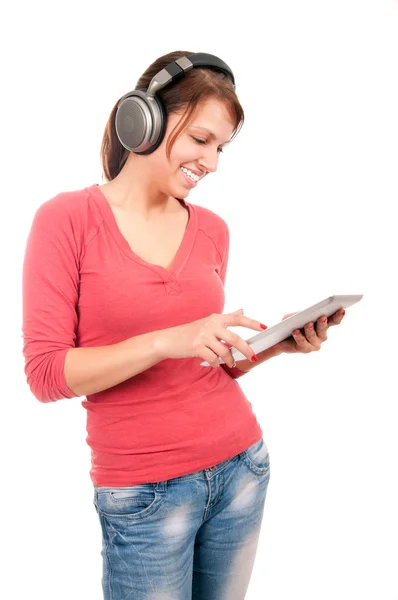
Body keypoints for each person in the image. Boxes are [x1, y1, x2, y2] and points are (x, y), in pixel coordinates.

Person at [22, 50, 345, 600]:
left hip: (242, 467)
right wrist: (164, 340)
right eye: (201, 140)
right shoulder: (67, 220)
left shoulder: (213, 229)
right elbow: (47, 374)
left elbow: (198, 361)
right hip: (145, 493)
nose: (213, 163)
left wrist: (273, 347)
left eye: (221, 148)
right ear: (142, 119)